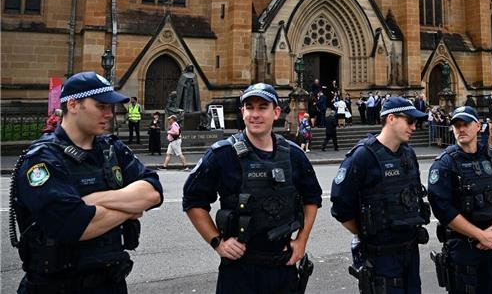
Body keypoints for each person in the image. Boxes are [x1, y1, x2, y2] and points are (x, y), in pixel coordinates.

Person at [10, 71, 163, 293]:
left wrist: (94, 200)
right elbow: (74, 225)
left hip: (111, 283)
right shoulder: (43, 159)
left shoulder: (112, 148)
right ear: (73, 105)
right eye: (101, 106)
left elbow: (153, 192)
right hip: (57, 287)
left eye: (111, 107)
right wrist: (130, 208)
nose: (109, 114)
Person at [183, 83, 321, 293]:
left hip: (283, 266)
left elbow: (312, 198)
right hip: (240, 270)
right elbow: (193, 200)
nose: (255, 114)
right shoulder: (222, 154)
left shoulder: (294, 155)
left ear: (276, 112)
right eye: (249, 107)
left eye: (262, 107)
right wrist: (217, 242)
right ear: (242, 112)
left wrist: (302, 240)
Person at [331, 96, 430, 294]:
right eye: (410, 121)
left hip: (410, 251)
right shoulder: (363, 156)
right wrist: (366, 232)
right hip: (381, 256)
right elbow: (341, 207)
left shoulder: (408, 154)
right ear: (391, 119)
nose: (414, 127)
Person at [428, 106, 492, 294]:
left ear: (478, 126)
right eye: (456, 125)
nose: (461, 129)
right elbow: (443, 210)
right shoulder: (444, 164)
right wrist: (479, 235)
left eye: (466, 124)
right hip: (462, 249)